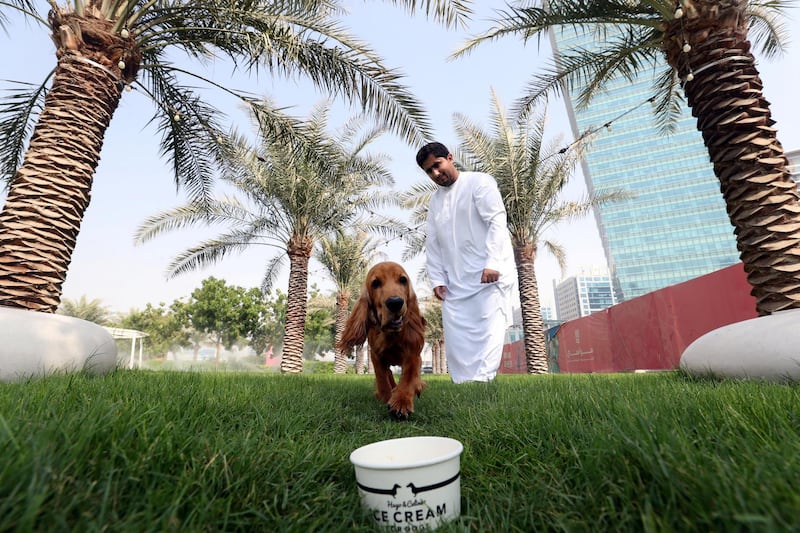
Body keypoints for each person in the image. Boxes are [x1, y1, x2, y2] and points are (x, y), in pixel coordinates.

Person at [416, 142, 516, 383]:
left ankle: (482, 381)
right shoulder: (435, 202)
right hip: (455, 282)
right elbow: (433, 243)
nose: (435, 174)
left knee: (488, 331)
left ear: (450, 158)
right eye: (429, 171)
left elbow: (496, 221)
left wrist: (492, 263)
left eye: (437, 165)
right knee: (457, 337)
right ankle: (462, 384)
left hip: (488, 275)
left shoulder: (479, 182)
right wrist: (437, 279)